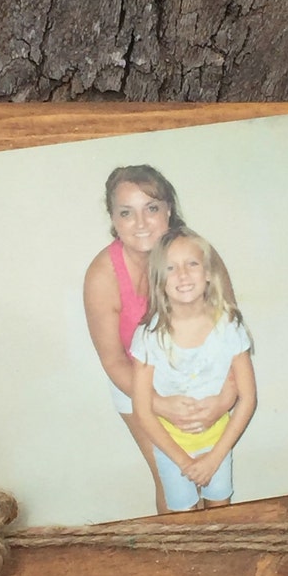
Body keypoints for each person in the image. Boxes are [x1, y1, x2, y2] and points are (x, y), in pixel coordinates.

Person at [83, 166, 237, 514]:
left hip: (205, 379)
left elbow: (229, 332)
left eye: (151, 208)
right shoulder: (101, 276)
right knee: (174, 484)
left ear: (169, 209)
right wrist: (158, 404)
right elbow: (113, 361)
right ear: (113, 218)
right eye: (126, 212)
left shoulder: (198, 253)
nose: (141, 222)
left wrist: (225, 397)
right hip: (137, 386)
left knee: (217, 484)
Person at [130, 226, 257, 512]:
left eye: (192, 264)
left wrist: (215, 458)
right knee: (183, 521)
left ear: (208, 272)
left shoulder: (230, 326)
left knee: (221, 514)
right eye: (171, 268)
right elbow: (142, 410)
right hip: (171, 448)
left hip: (218, 443)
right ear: (159, 280)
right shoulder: (148, 337)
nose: (183, 275)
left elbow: (248, 398)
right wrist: (185, 462)